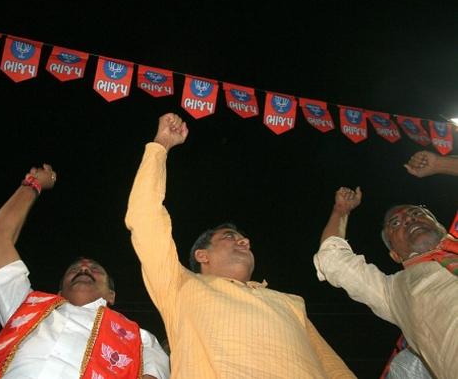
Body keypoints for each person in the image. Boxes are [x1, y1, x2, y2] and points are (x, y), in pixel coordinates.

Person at [125, 113, 355, 378]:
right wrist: (161, 146)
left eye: (242, 238)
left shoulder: (291, 303)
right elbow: (145, 217)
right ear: (202, 255)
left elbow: (335, 368)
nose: (244, 241)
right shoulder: (179, 286)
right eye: (229, 237)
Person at [0, 165, 169, 379]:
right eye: (75, 269)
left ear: (112, 295)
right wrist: (33, 185)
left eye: (94, 269)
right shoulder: (26, 308)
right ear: (59, 291)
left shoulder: (140, 339)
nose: (84, 268)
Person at [315, 186, 458, 379]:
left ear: (441, 226)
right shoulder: (393, 292)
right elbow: (332, 258)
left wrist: (441, 163)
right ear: (395, 255)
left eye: (417, 213)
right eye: (395, 223)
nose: (409, 219)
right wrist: (341, 210)